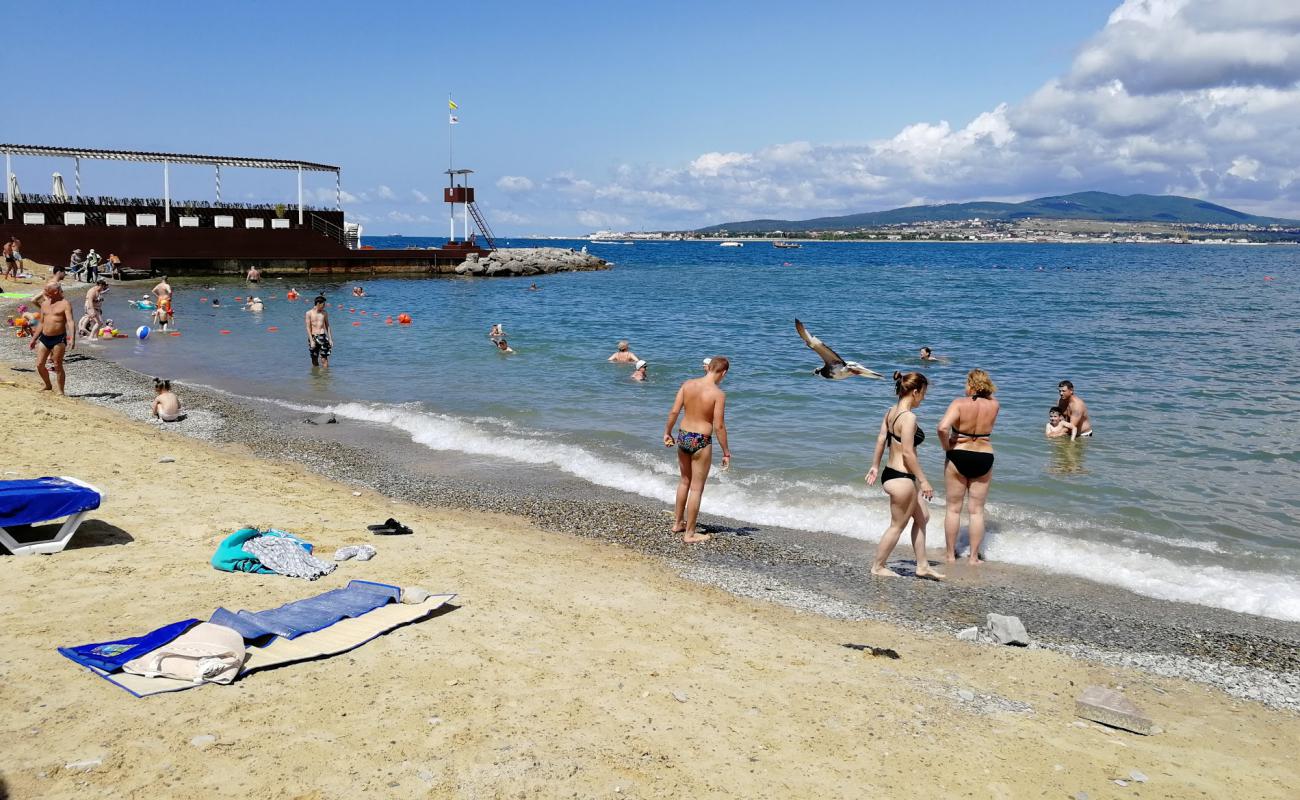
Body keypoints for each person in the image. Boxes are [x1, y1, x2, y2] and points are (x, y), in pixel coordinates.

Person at [865, 372, 942, 579]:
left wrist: (874, 466)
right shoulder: (909, 417)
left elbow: (882, 439)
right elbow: (908, 453)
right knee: (897, 525)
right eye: (923, 393)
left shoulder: (890, 412)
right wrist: (924, 481)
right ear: (915, 392)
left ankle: (922, 565)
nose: (924, 398)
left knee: (922, 516)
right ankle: (878, 566)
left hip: (891, 474)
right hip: (903, 477)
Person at [662, 356, 731, 543]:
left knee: (684, 481)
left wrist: (667, 432)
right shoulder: (718, 394)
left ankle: (678, 523)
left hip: (683, 436)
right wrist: (726, 452)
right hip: (701, 440)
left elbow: (674, 411)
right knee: (697, 488)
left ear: (708, 367)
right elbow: (719, 426)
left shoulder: (687, 385)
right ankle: (690, 534)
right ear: (723, 373)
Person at [937, 369, 1000, 564]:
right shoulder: (995, 405)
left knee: (954, 509)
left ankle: (950, 555)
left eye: (967, 383)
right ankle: (973, 557)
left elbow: (942, 428)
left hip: (959, 453)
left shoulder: (959, 403)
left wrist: (947, 447)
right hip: (984, 456)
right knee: (977, 511)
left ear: (971, 385)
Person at [31, 282, 75, 394]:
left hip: (58, 338)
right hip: (44, 337)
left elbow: (70, 322)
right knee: (39, 364)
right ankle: (48, 385)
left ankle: (61, 391)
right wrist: (34, 339)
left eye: (46, 289)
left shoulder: (65, 304)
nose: (44, 291)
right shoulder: (44, 304)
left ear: (55, 291)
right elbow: (41, 322)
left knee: (57, 365)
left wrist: (72, 339)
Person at [305, 295, 333, 367]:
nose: (324, 306)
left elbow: (327, 326)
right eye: (323, 304)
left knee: (324, 358)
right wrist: (311, 340)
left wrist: (330, 339)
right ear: (318, 303)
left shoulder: (324, 313)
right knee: (314, 358)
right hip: (313, 337)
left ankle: (325, 377)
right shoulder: (309, 313)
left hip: (322, 337)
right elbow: (308, 328)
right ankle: (316, 377)